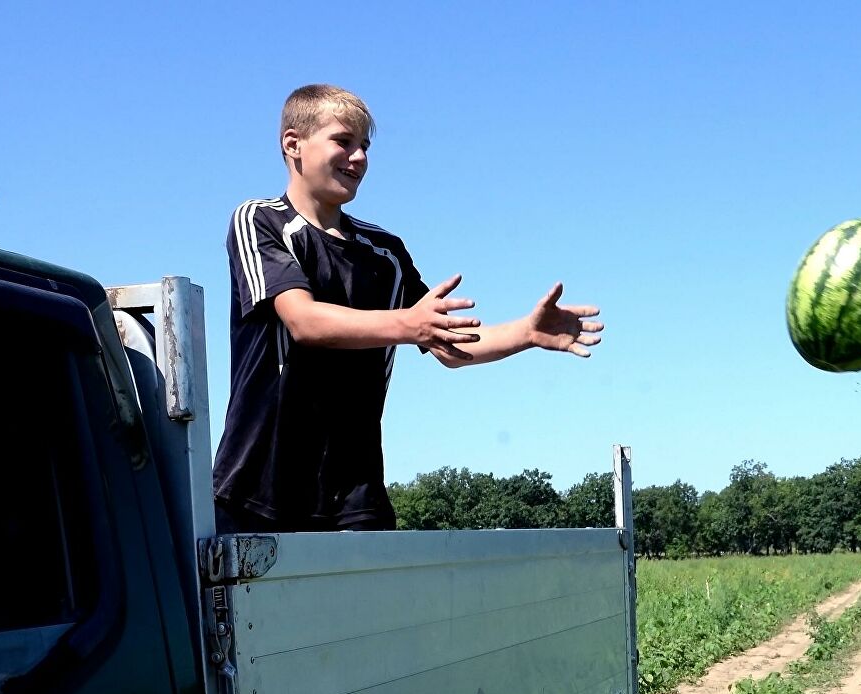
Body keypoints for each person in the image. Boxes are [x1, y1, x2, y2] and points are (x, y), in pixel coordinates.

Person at [213, 83, 602, 533]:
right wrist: (409, 325)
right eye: (343, 141)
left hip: (355, 500)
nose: (359, 158)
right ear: (293, 144)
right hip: (257, 491)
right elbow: (304, 321)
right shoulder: (261, 221)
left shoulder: (385, 252)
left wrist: (526, 333)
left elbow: (447, 345)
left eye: (365, 147)